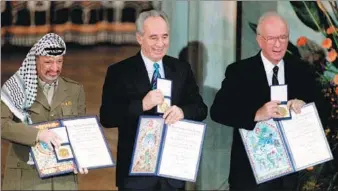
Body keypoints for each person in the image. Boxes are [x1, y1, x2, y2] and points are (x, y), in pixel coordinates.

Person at [210, 12, 330, 191]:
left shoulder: (302, 70)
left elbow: (325, 109)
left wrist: (305, 107)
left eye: (283, 38)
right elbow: (218, 111)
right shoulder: (240, 71)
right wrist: (256, 114)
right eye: (272, 38)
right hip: (250, 177)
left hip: (292, 177)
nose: (278, 44)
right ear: (259, 40)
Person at [100, 10, 207, 191]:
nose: (160, 44)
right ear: (139, 38)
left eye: (164, 37)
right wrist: (141, 105)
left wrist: (182, 111)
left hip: (173, 174)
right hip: (136, 177)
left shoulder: (181, 69)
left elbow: (200, 109)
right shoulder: (120, 72)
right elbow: (107, 117)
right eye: (153, 38)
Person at [1, 33, 88, 190]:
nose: (55, 68)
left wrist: (82, 157)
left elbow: (79, 130)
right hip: (27, 179)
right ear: (35, 60)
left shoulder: (75, 90)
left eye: (59, 61)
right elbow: (2, 125)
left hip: (63, 181)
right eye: (48, 62)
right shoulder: (15, 89)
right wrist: (38, 135)